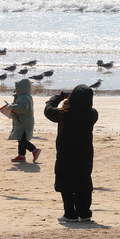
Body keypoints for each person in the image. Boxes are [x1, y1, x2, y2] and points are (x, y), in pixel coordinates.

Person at [44, 85, 98, 222]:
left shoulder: (64, 113)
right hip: (85, 153)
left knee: (65, 182)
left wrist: (57, 97)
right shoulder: (92, 114)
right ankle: (84, 213)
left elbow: (48, 110)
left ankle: (70, 213)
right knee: (83, 181)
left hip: (66, 153)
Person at [8, 78, 41, 163]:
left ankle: (34, 150)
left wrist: (12, 107)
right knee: (20, 138)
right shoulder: (25, 96)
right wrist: (13, 105)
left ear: (22, 88)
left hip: (23, 122)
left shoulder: (23, 97)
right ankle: (21, 155)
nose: (15, 89)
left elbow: (23, 109)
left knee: (22, 140)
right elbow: (21, 107)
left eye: (17, 88)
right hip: (23, 121)